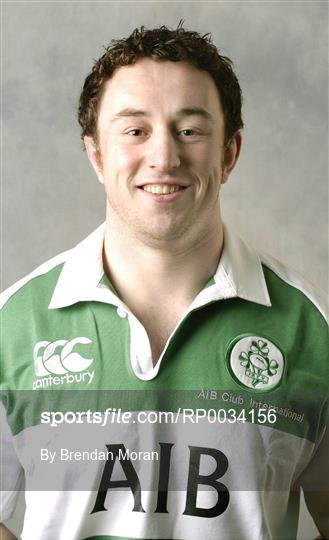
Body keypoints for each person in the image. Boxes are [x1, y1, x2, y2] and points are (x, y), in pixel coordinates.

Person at [0, 23, 328, 540]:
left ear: (230, 153)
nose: (164, 157)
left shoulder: (313, 328)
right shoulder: (14, 324)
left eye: (190, 130)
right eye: (135, 130)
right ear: (96, 154)